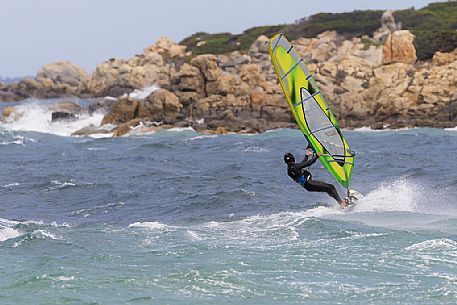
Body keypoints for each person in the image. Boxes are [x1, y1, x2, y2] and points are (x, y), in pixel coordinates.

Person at [284, 145, 349, 208]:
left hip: (308, 186)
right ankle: (341, 203)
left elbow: (302, 164)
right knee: (331, 187)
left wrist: (306, 156)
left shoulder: (290, 169)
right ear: (293, 158)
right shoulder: (295, 166)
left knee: (328, 189)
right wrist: (316, 156)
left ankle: (340, 203)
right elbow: (308, 163)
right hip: (309, 183)